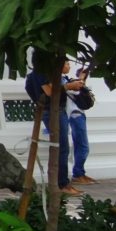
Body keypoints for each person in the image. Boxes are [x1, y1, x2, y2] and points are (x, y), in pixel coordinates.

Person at [30, 60, 86, 197]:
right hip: (52, 111)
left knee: (61, 148)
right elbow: (50, 92)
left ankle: (61, 182)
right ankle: (62, 183)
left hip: (57, 111)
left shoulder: (49, 74)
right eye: (65, 62)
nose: (68, 65)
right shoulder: (40, 73)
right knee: (61, 148)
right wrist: (68, 86)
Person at [66, 64, 96, 186]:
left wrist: (82, 76)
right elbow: (78, 86)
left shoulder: (68, 81)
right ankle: (78, 174)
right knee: (83, 147)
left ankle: (80, 173)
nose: (68, 65)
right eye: (67, 63)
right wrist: (82, 77)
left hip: (77, 115)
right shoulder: (68, 83)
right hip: (76, 116)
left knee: (80, 146)